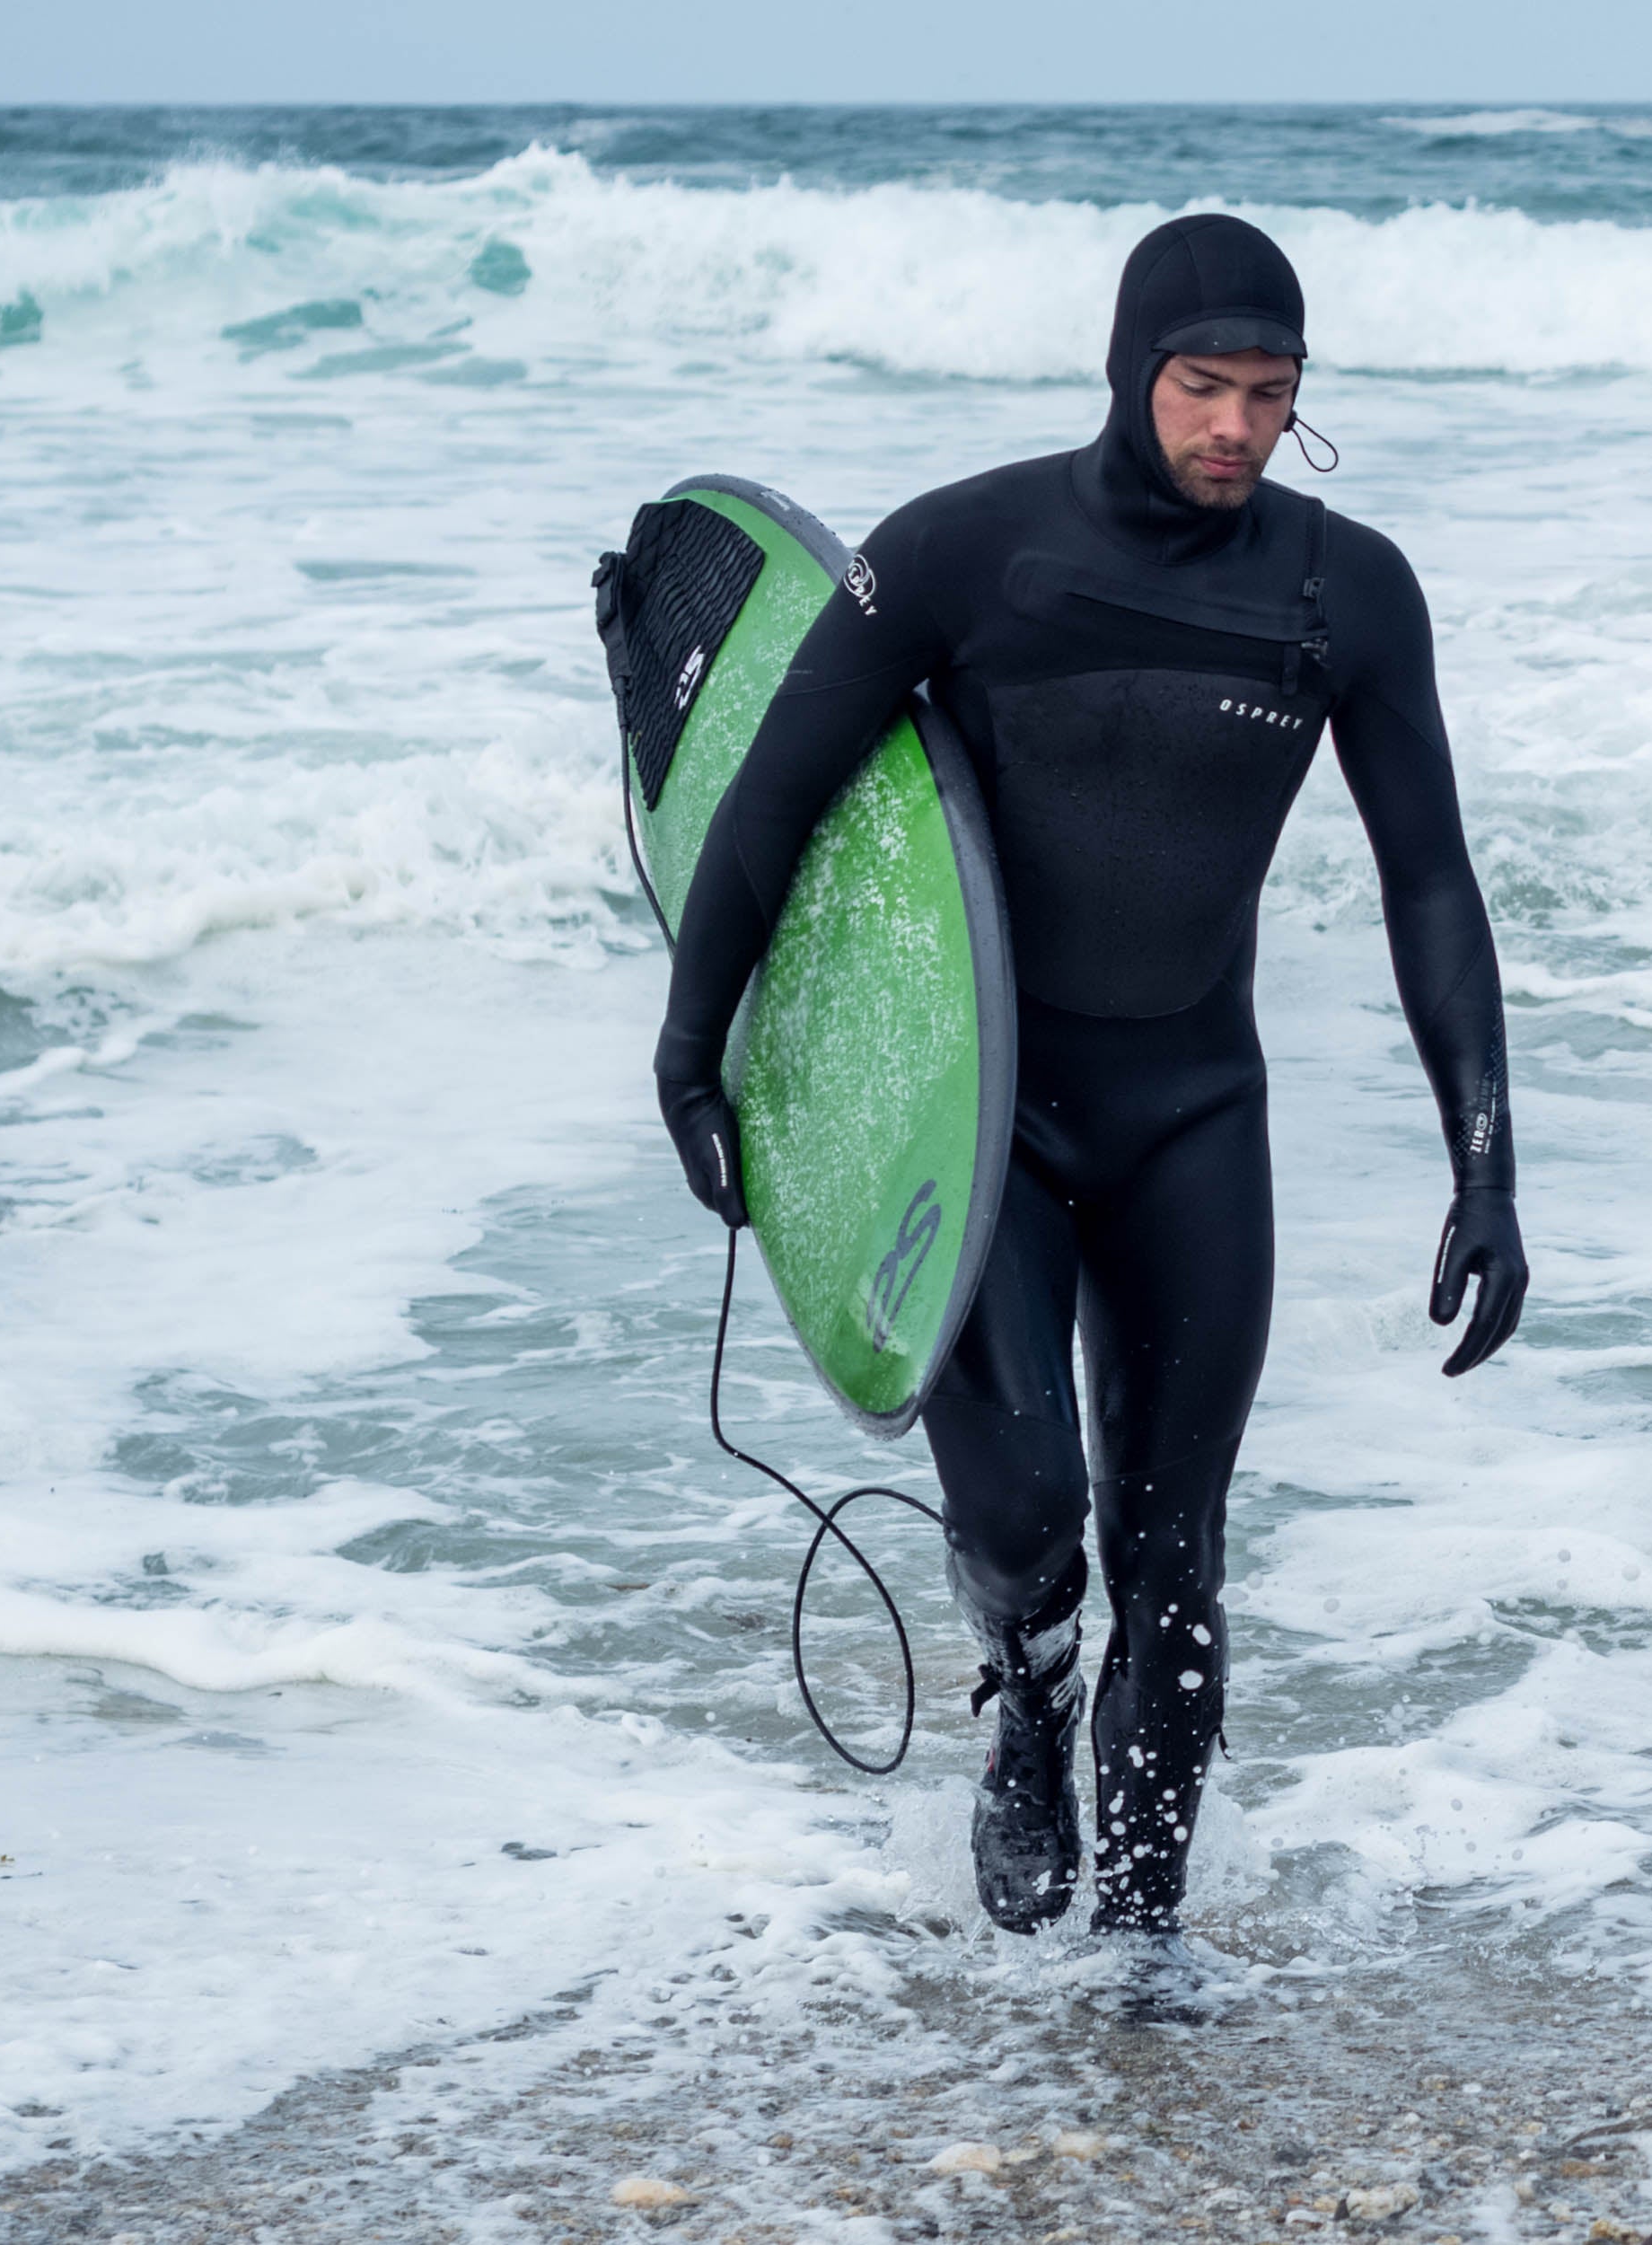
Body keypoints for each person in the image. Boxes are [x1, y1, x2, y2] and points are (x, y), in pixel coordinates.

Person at [654, 215, 1527, 1946]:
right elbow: (764, 805)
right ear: (1133, 370)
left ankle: (1144, 1969)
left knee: (1179, 1563)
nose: (1235, 428)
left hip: (1196, 1113)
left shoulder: (1346, 591)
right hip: (984, 1121)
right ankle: (1026, 1694)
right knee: (1031, 1514)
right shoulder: (961, 553)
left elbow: (1430, 878)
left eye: (1271, 396)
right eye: (1204, 386)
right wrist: (695, 1053)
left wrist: (1485, 1164)